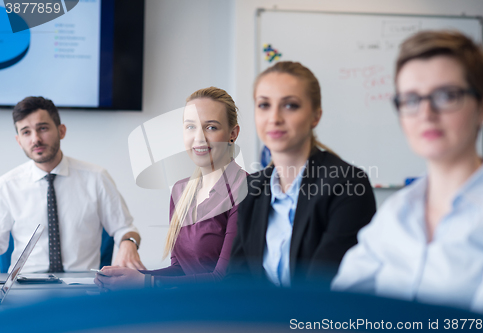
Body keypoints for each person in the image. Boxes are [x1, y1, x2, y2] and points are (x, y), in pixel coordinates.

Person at [332, 31, 483, 317]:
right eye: (410, 99)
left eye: (446, 95)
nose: (426, 112)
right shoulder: (395, 213)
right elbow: (340, 307)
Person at [226, 61, 377, 289]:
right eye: (264, 105)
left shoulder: (348, 184)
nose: (274, 118)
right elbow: (237, 280)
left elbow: (323, 288)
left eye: (290, 106)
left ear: (315, 116)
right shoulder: (251, 187)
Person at [95, 87, 247, 289]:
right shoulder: (181, 190)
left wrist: (145, 282)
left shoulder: (246, 190)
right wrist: (127, 276)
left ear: (232, 134)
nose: (199, 138)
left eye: (211, 127)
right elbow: (180, 268)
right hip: (187, 309)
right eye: (190, 127)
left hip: (226, 315)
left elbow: (223, 279)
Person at [0, 96, 144, 273]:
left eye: (42, 128)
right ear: (19, 141)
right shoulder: (7, 185)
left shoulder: (96, 178)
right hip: (25, 290)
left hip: (81, 289)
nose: (35, 139)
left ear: (61, 131)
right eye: (26, 132)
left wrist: (128, 244)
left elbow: (126, 229)